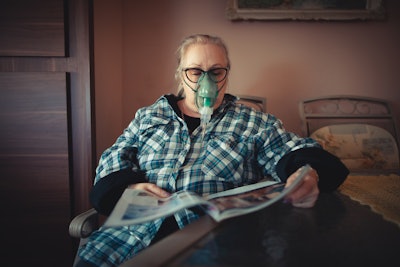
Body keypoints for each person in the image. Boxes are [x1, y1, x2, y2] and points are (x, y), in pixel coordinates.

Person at [75, 34, 348, 267]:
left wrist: (308, 173)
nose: (207, 81)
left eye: (216, 71)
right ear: (180, 74)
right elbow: (113, 159)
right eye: (195, 71)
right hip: (128, 239)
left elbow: (296, 150)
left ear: (226, 75)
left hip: (213, 242)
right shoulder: (148, 117)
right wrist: (127, 189)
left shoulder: (253, 122)